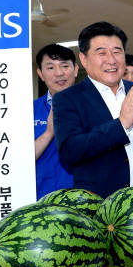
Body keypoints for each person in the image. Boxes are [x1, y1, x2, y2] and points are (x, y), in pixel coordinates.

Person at [53, 21, 133, 198]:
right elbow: (70, 152)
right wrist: (120, 126)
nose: (111, 60)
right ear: (84, 59)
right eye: (101, 52)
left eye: (117, 52)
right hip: (101, 207)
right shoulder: (68, 99)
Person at [33, 44, 78, 200]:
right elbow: (16, 160)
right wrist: (49, 133)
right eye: (50, 68)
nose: (59, 73)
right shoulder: (27, 110)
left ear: (76, 69)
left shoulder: (94, 106)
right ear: (40, 74)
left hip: (85, 198)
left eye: (65, 66)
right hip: (40, 199)